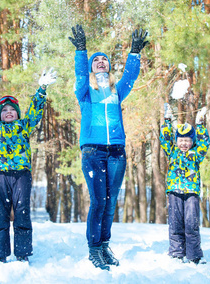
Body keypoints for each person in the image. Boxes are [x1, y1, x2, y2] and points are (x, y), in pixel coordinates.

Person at [68, 25, 148, 271]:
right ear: (92, 66)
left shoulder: (116, 90)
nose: (101, 62)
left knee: (111, 201)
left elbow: (131, 77)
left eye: (104, 60)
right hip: (92, 151)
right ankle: (94, 248)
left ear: (109, 66)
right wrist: (82, 50)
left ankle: (104, 245)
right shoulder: (85, 91)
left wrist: (134, 52)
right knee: (98, 201)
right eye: (97, 60)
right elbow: (80, 74)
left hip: (116, 152)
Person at [0, 67, 57, 263]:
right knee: (0, 215)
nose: (8, 112)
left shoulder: (24, 126)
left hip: (21, 175)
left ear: (17, 113)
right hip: (0, 176)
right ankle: (0, 255)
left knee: (22, 213)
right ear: (0, 114)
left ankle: (22, 253)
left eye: (12, 109)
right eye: (4, 110)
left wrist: (41, 90)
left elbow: (35, 111)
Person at [159, 104, 210, 265]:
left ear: (192, 141)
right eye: (181, 140)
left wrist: (200, 124)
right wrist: (167, 120)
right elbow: (165, 138)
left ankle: (194, 255)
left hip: (191, 193)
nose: (184, 144)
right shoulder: (172, 151)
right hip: (174, 191)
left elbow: (205, 142)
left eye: (187, 140)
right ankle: (176, 253)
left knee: (191, 224)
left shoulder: (196, 153)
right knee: (175, 223)